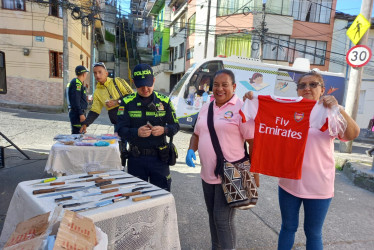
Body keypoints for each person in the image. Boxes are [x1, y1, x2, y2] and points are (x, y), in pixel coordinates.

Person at [244, 71, 360, 250]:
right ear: (297, 90)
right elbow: (256, 126)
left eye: (313, 84)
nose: (307, 88)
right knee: (288, 227)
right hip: (289, 182)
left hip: (319, 186)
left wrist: (339, 108)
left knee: (313, 232)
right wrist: (252, 100)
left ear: (322, 89)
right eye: (302, 85)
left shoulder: (329, 111)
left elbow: (352, 134)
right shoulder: (287, 111)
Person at [185, 69, 259, 249]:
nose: (220, 89)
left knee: (222, 219)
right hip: (207, 174)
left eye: (225, 85)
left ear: (233, 87)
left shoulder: (241, 107)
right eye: (216, 85)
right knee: (212, 217)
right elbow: (196, 133)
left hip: (230, 174)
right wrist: (191, 149)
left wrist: (255, 172)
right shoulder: (206, 107)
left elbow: (253, 142)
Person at [116, 64, 180, 191]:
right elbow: (119, 130)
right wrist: (136, 132)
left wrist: (165, 130)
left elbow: (176, 126)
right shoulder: (127, 102)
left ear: (154, 81)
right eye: (140, 85)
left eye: (148, 84)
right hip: (136, 158)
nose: (145, 89)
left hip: (160, 158)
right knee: (137, 198)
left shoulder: (164, 101)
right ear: (134, 82)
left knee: (162, 197)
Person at [80, 62, 133, 133]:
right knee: (119, 143)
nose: (97, 75)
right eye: (95, 73)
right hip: (117, 123)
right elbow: (95, 111)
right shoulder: (97, 92)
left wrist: (117, 102)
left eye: (100, 72)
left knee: (134, 142)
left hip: (130, 118)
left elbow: (132, 95)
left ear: (106, 73)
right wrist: (85, 123)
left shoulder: (117, 81)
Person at [67, 65, 89, 134]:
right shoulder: (77, 84)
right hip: (77, 114)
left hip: (79, 113)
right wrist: (81, 114)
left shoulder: (78, 83)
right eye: (86, 74)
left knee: (81, 134)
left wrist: (85, 99)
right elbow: (76, 101)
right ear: (84, 74)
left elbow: (78, 98)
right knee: (77, 135)